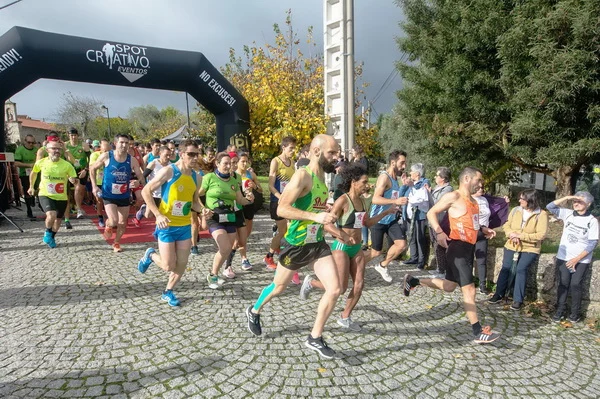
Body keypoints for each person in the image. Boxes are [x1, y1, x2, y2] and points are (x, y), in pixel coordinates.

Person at [245, 134, 342, 359]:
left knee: (335, 289)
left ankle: (314, 337)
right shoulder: (302, 175)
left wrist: (325, 214)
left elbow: (314, 207)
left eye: (336, 153)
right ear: (317, 152)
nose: (336, 157)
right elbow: (282, 209)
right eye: (332, 153)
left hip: (316, 242)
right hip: (296, 244)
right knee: (279, 287)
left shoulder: (321, 177)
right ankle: (254, 309)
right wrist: (314, 217)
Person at [404, 167, 500, 344]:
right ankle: (478, 331)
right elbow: (431, 212)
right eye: (478, 180)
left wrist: (484, 230)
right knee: (469, 289)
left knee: (448, 286)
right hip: (457, 249)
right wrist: (439, 232)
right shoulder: (453, 196)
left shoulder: (474, 202)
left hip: (468, 249)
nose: (481, 184)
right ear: (466, 179)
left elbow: (473, 226)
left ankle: (413, 281)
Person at [299, 163, 398, 331]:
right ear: (354, 182)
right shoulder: (343, 200)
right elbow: (327, 225)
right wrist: (343, 235)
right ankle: (312, 283)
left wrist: (386, 212)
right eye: (364, 182)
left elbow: (366, 223)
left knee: (359, 285)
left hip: (356, 247)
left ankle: (345, 317)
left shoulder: (363, 202)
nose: (367, 185)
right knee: (341, 287)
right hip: (341, 247)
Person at [137, 140, 211, 307]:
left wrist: (202, 209)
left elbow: (194, 202)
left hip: (184, 226)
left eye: (197, 154)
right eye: (191, 154)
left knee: (182, 263)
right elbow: (146, 191)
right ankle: (150, 254)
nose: (194, 157)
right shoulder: (169, 171)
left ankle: (168, 291)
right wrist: (157, 215)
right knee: (168, 265)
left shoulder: (196, 177)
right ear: (182, 154)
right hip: (167, 225)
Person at [198, 152, 254, 288]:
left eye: (230, 163)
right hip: (214, 217)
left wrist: (249, 199)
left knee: (227, 250)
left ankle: (214, 274)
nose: (229, 166)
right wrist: (202, 209)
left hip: (230, 217)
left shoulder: (234, 180)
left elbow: (239, 199)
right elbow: (197, 195)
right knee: (225, 247)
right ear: (217, 164)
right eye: (225, 163)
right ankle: (212, 276)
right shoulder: (209, 178)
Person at [488, 189, 548, 310]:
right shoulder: (516, 210)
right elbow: (506, 224)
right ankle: (498, 294)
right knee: (505, 268)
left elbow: (541, 234)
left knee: (521, 269)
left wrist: (521, 236)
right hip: (511, 244)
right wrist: (511, 234)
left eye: (522, 199)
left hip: (530, 247)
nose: (519, 200)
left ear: (530, 200)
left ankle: (517, 299)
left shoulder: (541, 214)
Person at [548, 192, 598, 323]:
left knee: (575, 284)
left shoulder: (592, 221)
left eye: (580, 201)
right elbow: (550, 207)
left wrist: (576, 259)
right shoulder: (568, 213)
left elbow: (593, 243)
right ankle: (560, 310)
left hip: (581, 259)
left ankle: (575, 314)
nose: (576, 204)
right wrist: (567, 198)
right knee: (563, 284)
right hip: (564, 257)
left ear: (588, 204)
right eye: (575, 201)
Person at [90, 134, 145, 253]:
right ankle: (109, 224)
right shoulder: (106, 156)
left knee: (122, 222)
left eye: (126, 143)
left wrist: (138, 182)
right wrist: (94, 186)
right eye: (121, 142)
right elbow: (92, 168)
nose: (124, 145)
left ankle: (116, 242)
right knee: (114, 220)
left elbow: (140, 175)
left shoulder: (132, 159)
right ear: (115, 143)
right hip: (109, 194)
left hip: (124, 195)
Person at [28, 140, 78, 248]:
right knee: (51, 215)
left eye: (59, 149)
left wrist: (72, 180)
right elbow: (33, 173)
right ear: (47, 150)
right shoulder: (41, 162)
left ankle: (52, 236)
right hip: (45, 194)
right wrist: (31, 186)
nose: (57, 151)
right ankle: (47, 232)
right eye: (54, 149)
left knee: (58, 220)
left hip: (61, 196)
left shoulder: (66, 165)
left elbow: (73, 177)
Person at [368, 150, 409, 281]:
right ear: (393, 162)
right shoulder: (384, 177)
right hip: (378, 219)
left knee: (401, 244)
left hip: (390, 219)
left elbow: (393, 196)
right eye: (402, 163)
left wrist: (399, 199)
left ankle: (382, 265)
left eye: (405, 163)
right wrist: (394, 202)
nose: (404, 166)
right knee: (376, 252)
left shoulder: (396, 179)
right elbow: (375, 199)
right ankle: (354, 264)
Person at [264, 136, 299, 283]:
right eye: (290, 148)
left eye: (294, 148)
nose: (293, 151)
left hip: (289, 202)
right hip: (278, 201)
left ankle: (286, 259)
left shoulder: (292, 163)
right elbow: (270, 185)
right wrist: (280, 197)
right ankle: (269, 256)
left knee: (290, 230)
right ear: (283, 147)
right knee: (284, 231)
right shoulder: (276, 161)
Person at [402, 163, 432, 270]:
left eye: (411, 171)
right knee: (412, 236)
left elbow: (421, 195)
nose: (410, 173)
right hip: (410, 214)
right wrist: (404, 184)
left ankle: (421, 260)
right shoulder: (411, 183)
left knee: (420, 237)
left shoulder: (424, 182)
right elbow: (402, 194)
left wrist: (411, 185)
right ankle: (414, 257)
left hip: (420, 215)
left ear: (417, 174)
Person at [135, 145, 172, 224]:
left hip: (165, 194)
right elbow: (143, 175)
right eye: (166, 155)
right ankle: (142, 210)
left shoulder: (171, 165)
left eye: (170, 155)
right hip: (154, 193)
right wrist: (139, 182)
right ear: (160, 154)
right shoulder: (153, 163)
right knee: (148, 215)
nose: (168, 157)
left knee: (163, 214)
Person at [429, 167, 453, 278]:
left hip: (441, 221)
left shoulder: (447, 190)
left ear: (443, 178)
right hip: (433, 220)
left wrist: (429, 194)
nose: (435, 177)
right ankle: (440, 268)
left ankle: (445, 271)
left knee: (442, 245)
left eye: (437, 175)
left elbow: (439, 203)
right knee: (435, 244)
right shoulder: (437, 188)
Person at [64, 127, 91, 221]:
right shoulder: (65, 145)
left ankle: (78, 207)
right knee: (73, 189)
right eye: (71, 135)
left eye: (75, 135)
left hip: (81, 169)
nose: (73, 137)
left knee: (80, 189)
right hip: (69, 169)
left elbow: (90, 158)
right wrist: (67, 174)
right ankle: (76, 208)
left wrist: (86, 170)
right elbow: (62, 160)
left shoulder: (83, 145)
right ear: (68, 135)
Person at [14, 134, 38, 220]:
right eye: (29, 142)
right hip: (25, 174)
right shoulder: (20, 150)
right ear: (25, 141)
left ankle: (35, 200)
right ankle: (29, 211)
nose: (31, 144)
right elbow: (16, 163)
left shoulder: (36, 150)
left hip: (36, 173)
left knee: (38, 189)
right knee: (28, 192)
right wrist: (28, 165)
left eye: (33, 142)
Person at [89, 139, 110, 227]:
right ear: (100, 147)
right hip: (98, 181)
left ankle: (110, 218)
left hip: (109, 182)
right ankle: (100, 217)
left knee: (109, 201)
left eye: (107, 149)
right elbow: (92, 167)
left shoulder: (112, 155)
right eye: (104, 149)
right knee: (100, 201)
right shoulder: (95, 155)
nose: (106, 151)